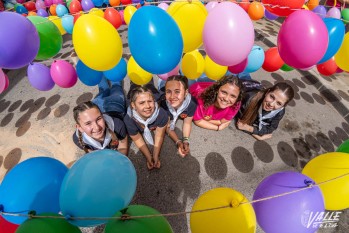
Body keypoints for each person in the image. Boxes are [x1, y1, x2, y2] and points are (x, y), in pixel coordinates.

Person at [124, 85, 169, 170]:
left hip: (149, 88)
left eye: (150, 101)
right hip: (130, 96)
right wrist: (148, 157)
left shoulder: (162, 114)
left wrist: (155, 156)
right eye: (141, 103)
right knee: (127, 86)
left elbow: (159, 135)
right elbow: (137, 138)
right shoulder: (129, 119)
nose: (148, 106)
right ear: (133, 105)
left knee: (149, 83)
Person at [158, 75, 198, 157]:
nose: (172, 97)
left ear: (186, 92)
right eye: (168, 92)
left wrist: (186, 141)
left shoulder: (192, 103)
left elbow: (187, 122)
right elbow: (167, 126)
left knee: (188, 74)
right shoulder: (162, 102)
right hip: (163, 85)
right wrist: (179, 142)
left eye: (177, 91)